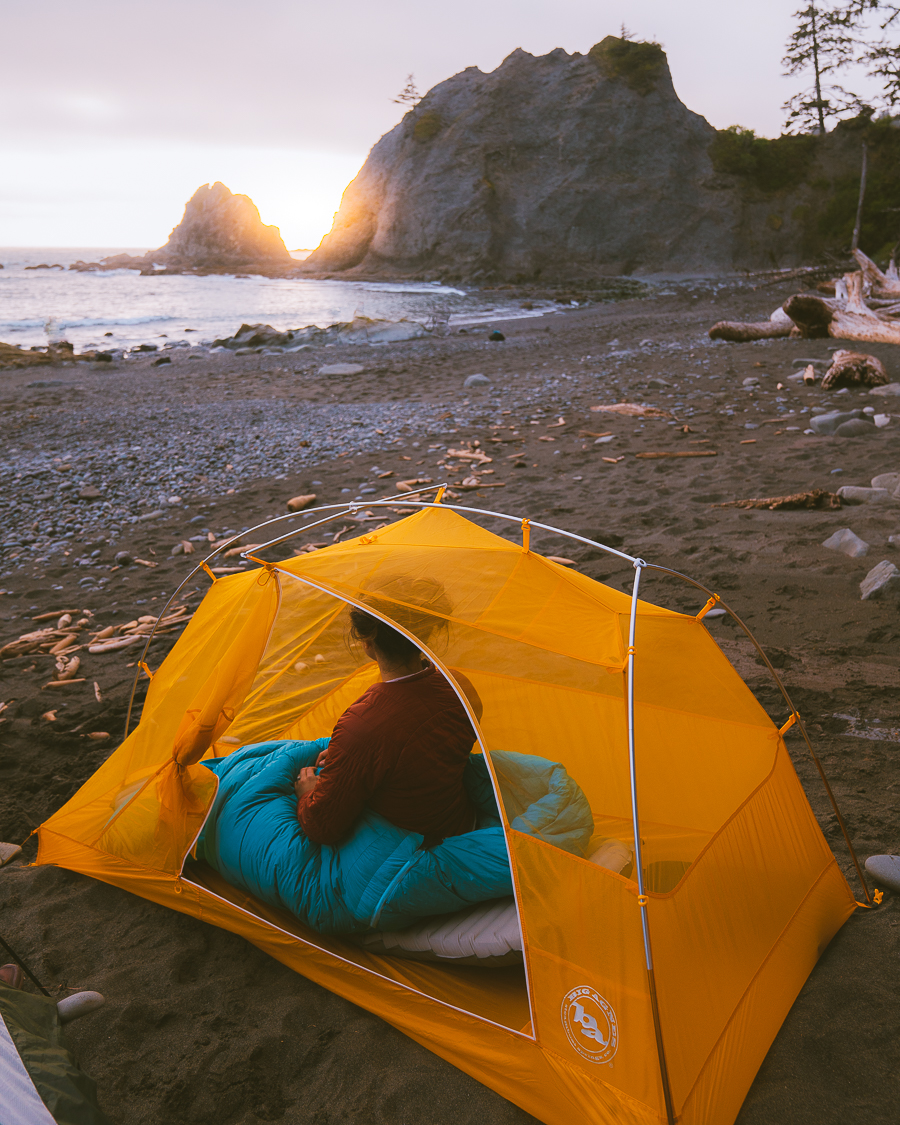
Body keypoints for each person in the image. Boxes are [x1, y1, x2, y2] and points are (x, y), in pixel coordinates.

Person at [294, 598, 478, 847]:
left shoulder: (363, 726)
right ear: (424, 632)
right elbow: (423, 752)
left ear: (367, 641)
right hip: (461, 822)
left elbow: (322, 826)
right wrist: (351, 758)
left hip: (414, 847)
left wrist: (307, 793)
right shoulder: (459, 685)